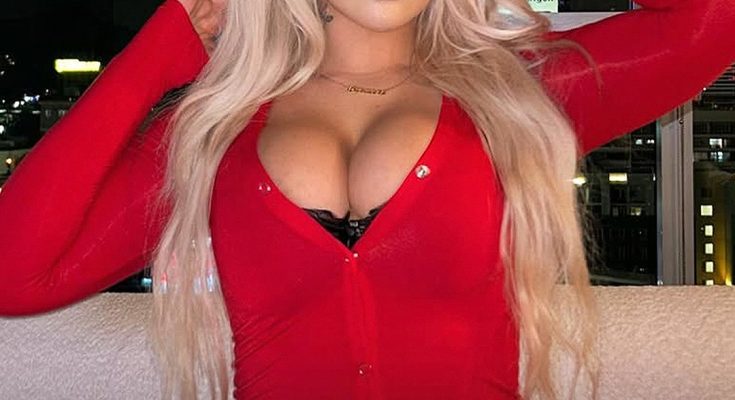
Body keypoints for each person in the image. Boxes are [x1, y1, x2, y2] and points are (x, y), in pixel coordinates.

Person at [0, 0, 733, 399]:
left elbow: (710, 20)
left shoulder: (519, 93)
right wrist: (159, 53)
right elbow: (14, 271)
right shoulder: (214, 131)